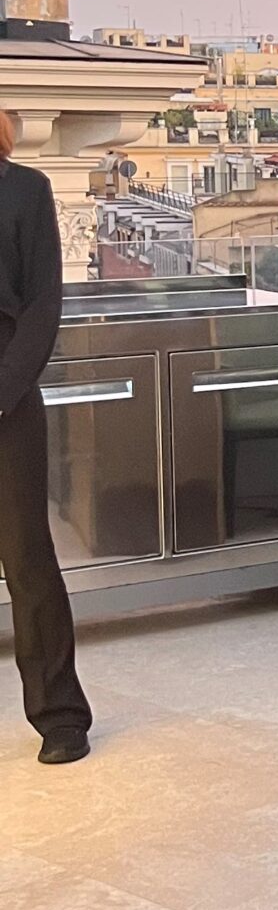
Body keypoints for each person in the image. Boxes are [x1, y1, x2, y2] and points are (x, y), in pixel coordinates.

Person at [0, 112, 92, 764]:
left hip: (7, 404)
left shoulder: (26, 191)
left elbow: (41, 307)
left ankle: (61, 718)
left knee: (28, 560)